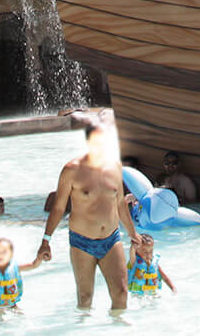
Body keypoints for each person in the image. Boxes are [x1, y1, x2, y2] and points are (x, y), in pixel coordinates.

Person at [40, 116, 140, 313]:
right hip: (82, 241)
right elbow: (59, 207)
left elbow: (120, 203)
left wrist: (133, 233)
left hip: (111, 239)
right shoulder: (72, 170)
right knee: (85, 298)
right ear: (88, 142)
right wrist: (46, 240)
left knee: (121, 293)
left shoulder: (115, 167)